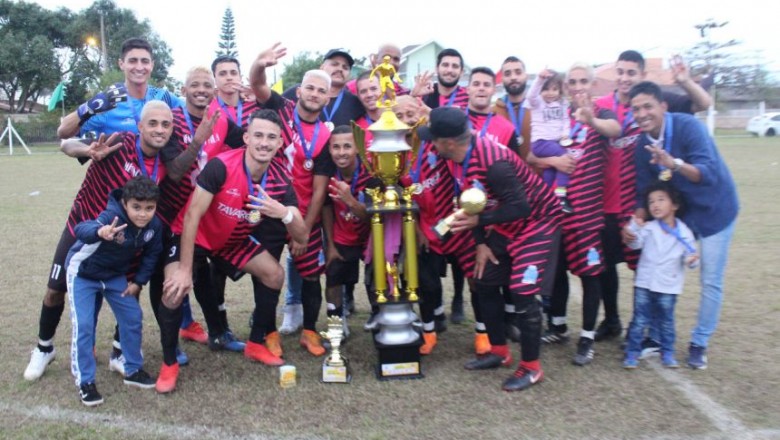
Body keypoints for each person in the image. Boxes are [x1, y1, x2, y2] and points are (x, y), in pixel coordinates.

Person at [24, 100, 175, 382]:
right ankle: (44, 347)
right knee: (55, 290)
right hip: (84, 227)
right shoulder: (119, 141)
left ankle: (119, 353)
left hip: (122, 239)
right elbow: (65, 144)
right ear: (140, 126)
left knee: (129, 291)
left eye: (165, 124)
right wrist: (88, 151)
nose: (159, 129)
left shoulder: (167, 161)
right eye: (152, 123)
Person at [161, 109, 307, 391]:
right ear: (246, 138)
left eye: (271, 138)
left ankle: (255, 343)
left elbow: (301, 235)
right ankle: (169, 363)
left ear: (279, 144)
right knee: (174, 289)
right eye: (259, 136)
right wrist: (185, 269)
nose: (264, 143)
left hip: (232, 240)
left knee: (275, 275)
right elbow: (192, 215)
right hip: (195, 234)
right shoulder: (221, 166)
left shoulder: (279, 181)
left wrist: (284, 213)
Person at [420, 107, 562, 392]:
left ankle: (532, 368)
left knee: (522, 292)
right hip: (504, 221)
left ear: (448, 142)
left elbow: (522, 207)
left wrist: (481, 222)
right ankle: (499, 351)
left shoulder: (495, 163)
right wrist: (481, 243)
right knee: (484, 281)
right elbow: (471, 203)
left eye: (433, 139)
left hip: (537, 221)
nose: (430, 144)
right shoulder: (456, 157)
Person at [593, 50, 714, 344]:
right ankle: (611, 321)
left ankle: (643, 326)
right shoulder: (601, 105)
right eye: (620, 72)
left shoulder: (655, 102)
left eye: (631, 73)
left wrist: (685, 81)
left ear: (642, 76)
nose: (624, 78)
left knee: (644, 268)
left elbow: (701, 103)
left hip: (643, 203)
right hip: (604, 201)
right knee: (604, 266)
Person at [629, 80, 738, 369]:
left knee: (710, 280)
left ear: (663, 106)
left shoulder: (688, 127)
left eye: (647, 106)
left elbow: (707, 173)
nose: (641, 114)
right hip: (681, 216)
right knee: (660, 268)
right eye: (635, 108)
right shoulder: (642, 145)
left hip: (716, 211)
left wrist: (673, 163)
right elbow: (644, 188)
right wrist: (636, 221)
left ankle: (699, 343)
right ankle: (654, 336)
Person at [532, 62, 620, 367]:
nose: (578, 86)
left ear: (593, 85)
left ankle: (586, 337)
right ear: (566, 86)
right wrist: (555, 161)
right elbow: (533, 153)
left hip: (586, 216)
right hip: (557, 212)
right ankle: (558, 327)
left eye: (584, 81)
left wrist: (591, 120)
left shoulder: (603, 114)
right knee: (555, 272)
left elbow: (615, 130)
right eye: (573, 82)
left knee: (590, 275)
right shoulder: (556, 114)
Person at [66, 176, 163, 406]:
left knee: (132, 316)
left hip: (114, 276)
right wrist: (99, 232)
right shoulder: (112, 216)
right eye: (136, 207)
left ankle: (132, 370)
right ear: (125, 203)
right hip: (83, 274)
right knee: (85, 326)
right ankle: (85, 382)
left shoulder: (154, 226)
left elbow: (151, 255)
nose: (142, 214)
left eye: (149, 208)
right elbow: (81, 228)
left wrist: (138, 282)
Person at [263, 69, 335, 353]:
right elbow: (258, 84)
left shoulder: (326, 136)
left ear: (327, 97)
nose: (315, 94)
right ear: (300, 91)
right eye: (310, 88)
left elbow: (320, 191)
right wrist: (260, 63)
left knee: (311, 275)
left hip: (304, 216)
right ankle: (268, 332)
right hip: (269, 212)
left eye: (321, 91)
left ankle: (309, 331)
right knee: (267, 274)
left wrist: (302, 229)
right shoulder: (282, 113)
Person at [623, 182, 698, 369]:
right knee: (640, 319)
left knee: (666, 321)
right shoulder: (649, 228)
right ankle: (632, 352)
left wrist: (692, 261)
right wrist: (634, 227)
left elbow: (691, 257)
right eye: (651, 201)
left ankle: (668, 352)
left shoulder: (684, 233)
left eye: (661, 200)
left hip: (668, 286)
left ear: (674, 205)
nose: (655, 205)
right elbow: (634, 245)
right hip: (644, 283)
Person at [57, 37, 181, 139]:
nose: (139, 67)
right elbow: (63, 132)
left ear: (152, 65)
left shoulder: (164, 97)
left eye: (144, 61)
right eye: (132, 61)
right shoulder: (108, 103)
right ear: (121, 64)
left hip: (158, 169)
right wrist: (89, 107)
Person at [322, 126, 379, 335]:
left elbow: (373, 217)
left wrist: (349, 200)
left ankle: (378, 316)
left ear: (358, 148)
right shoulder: (328, 173)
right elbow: (326, 208)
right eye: (336, 147)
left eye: (347, 146)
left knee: (375, 278)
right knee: (334, 275)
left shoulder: (371, 173)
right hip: (343, 235)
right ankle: (336, 325)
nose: (341, 152)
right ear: (329, 149)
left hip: (372, 235)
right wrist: (330, 244)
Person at [526, 69, 573, 213]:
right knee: (564, 159)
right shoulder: (537, 103)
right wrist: (539, 80)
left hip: (554, 142)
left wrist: (565, 135)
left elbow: (565, 120)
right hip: (540, 142)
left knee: (551, 168)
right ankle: (561, 196)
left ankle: (546, 194)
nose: (550, 93)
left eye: (554, 89)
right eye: (546, 89)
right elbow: (531, 95)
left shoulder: (562, 104)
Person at [282, 49, 364, 128]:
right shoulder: (298, 92)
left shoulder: (355, 102)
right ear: (322, 67)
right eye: (334, 64)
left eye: (345, 67)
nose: (340, 69)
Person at [492, 56, 532, 162]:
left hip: (537, 177)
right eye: (507, 74)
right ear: (502, 79)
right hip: (506, 176)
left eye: (518, 72)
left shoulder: (538, 108)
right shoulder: (493, 112)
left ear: (526, 76)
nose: (513, 77)